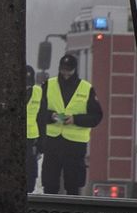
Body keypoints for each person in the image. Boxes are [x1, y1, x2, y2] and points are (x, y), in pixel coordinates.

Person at [38, 53, 104, 195]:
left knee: (73, 185)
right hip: (53, 142)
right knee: (50, 183)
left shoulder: (86, 88)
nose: (66, 73)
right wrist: (51, 116)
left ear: (75, 69)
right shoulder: (48, 85)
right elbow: (38, 112)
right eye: (63, 69)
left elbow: (97, 116)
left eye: (69, 70)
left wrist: (75, 119)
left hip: (75, 145)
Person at [24, 65, 41, 193]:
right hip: (12, 139)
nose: (27, 87)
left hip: (31, 139)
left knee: (31, 171)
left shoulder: (39, 92)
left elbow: (43, 116)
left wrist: (41, 144)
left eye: (29, 84)